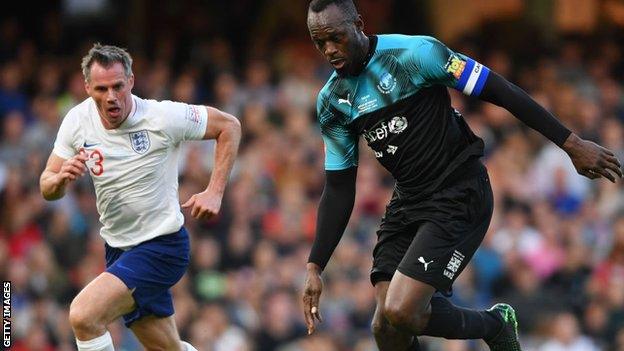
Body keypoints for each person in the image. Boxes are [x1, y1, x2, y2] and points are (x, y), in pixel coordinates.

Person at [301, 1, 622, 350]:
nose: (329, 49)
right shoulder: (332, 101)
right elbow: (338, 188)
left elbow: (499, 89)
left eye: (336, 37)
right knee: (386, 329)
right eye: (320, 43)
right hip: (410, 200)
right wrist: (315, 265)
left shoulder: (417, 53)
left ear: (359, 24)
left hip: (460, 191)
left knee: (401, 310)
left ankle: (496, 324)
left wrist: (570, 142)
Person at [39, 44, 241, 351]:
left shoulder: (162, 117)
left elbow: (229, 126)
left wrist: (215, 191)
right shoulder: (77, 121)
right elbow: (46, 186)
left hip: (162, 247)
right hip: (119, 250)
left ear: (131, 81)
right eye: (101, 88)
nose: (111, 97)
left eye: (118, 86)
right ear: (87, 87)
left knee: (84, 316)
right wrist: (61, 178)